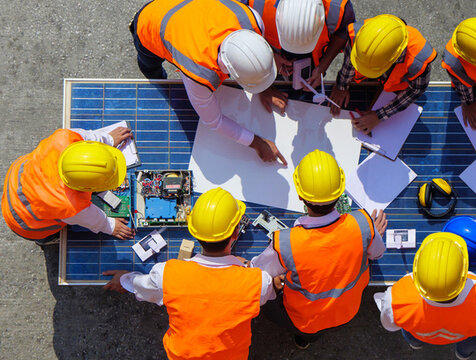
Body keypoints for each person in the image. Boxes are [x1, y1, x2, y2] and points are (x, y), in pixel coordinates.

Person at [103, 187, 276, 360]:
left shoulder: (167, 275)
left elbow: (142, 287)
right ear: (236, 233)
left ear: (194, 232)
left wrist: (124, 279)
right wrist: (245, 266)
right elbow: (268, 291)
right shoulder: (258, 282)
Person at [250, 149, 387, 349]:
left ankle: (304, 338)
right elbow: (377, 253)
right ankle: (305, 338)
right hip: (347, 312)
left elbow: (256, 272)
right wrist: (373, 232)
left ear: (299, 195)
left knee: (268, 304)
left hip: (305, 321)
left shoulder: (287, 244)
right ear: (340, 191)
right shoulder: (363, 224)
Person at [131, 0, 286, 165]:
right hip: (149, 22)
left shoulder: (252, 20)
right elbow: (215, 121)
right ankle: (157, 78)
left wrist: (264, 86)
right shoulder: (198, 72)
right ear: (230, 71)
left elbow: (253, 55)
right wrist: (256, 143)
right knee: (150, 67)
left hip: (182, 7)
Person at [375, 232, 476, 360]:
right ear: (464, 270)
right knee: (471, 342)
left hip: (419, 334)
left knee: (412, 336)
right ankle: (463, 355)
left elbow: (389, 326)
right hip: (465, 336)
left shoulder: (397, 297)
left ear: (417, 265)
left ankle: (416, 345)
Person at [2, 127, 136, 245]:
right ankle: (47, 241)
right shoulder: (69, 205)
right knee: (46, 234)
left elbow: (89, 138)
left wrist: (109, 139)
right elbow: (93, 219)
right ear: (87, 188)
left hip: (16, 180)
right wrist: (111, 226)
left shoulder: (65, 138)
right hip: (24, 222)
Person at [329, 14, 436, 134]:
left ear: (395, 58)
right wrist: (341, 86)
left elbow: (415, 91)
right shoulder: (362, 38)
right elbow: (350, 62)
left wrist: (379, 116)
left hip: (397, 88)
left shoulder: (419, 60)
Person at [247, 0, 356, 113]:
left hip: (315, 58)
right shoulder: (255, 3)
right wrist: (269, 56)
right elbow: (242, 37)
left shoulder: (339, 8)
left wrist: (322, 67)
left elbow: (343, 31)